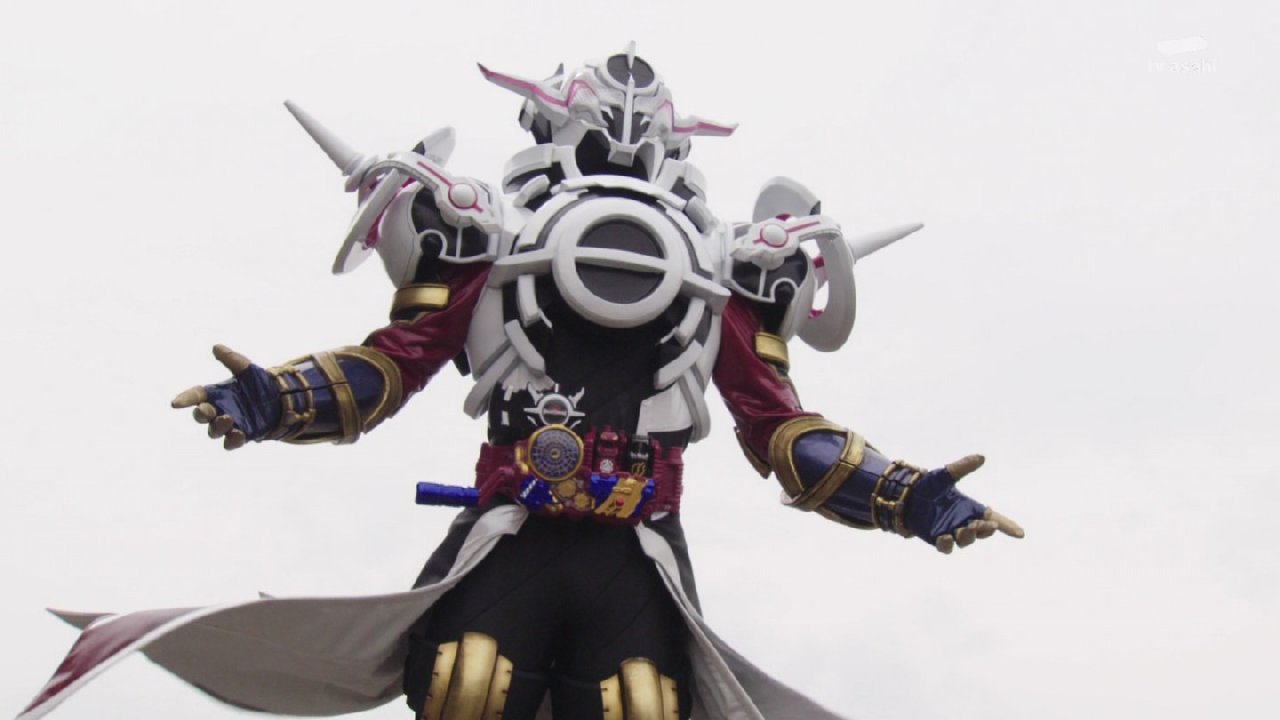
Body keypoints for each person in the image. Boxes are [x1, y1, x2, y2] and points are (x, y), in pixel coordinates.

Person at [20, 46, 1022, 720]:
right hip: (515, 535)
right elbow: (394, 361)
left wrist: (905, 495)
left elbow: (777, 427)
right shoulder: (488, 247)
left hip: (634, 550)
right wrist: (273, 399)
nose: (624, 152)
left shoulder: (721, 277)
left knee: (640, 703)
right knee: (468, 688)